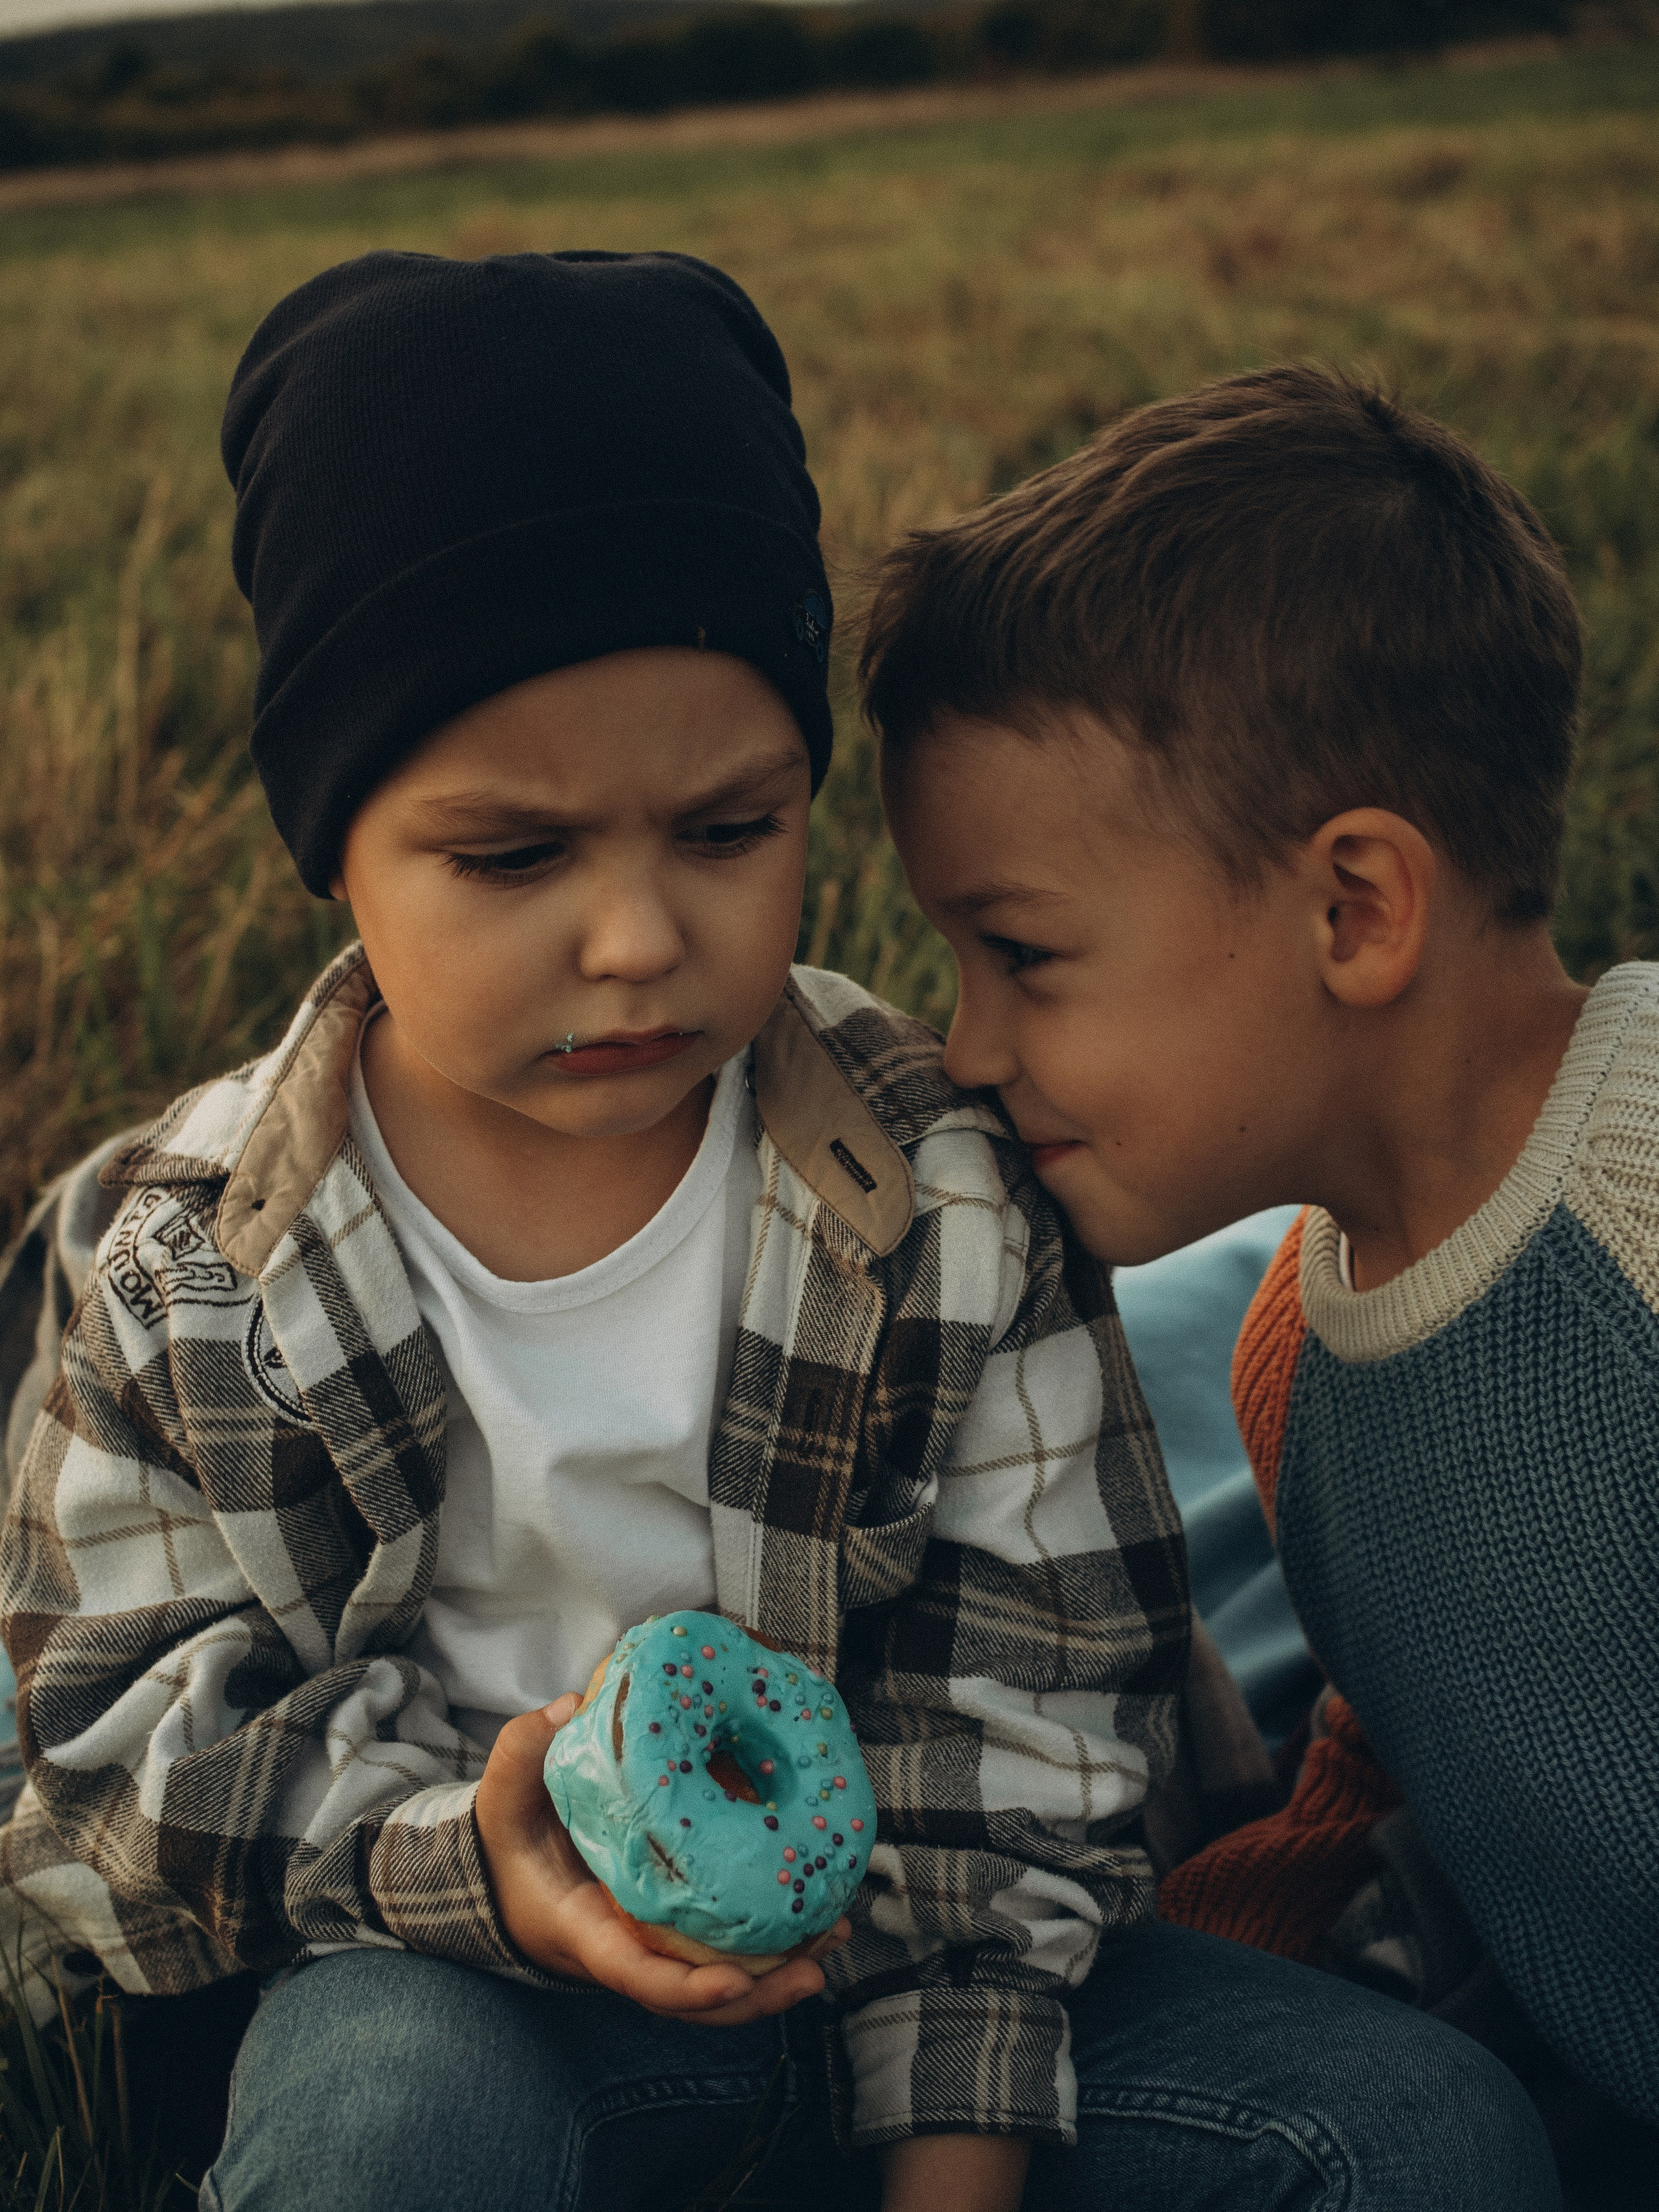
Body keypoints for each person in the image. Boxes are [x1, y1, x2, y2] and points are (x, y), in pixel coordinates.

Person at [0, 265, 1550, 2212]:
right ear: (332, 843)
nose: (638, 936)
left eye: (726, 831)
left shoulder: (940, 1196)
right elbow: (109, 1748)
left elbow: (1034, 1720)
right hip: (466, 1991)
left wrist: (953, 2160)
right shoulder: (195, 1261)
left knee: (1418, 2135)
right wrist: (470, 1862)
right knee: (389, 2139)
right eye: (513, 858)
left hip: (931, 1984)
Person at [863, 362, 1658, 2195]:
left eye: (1022, 955)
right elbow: (1414, 1763)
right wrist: (1228, 1959)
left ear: (1354, 911)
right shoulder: (1298, 1347)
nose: (964, 1047)